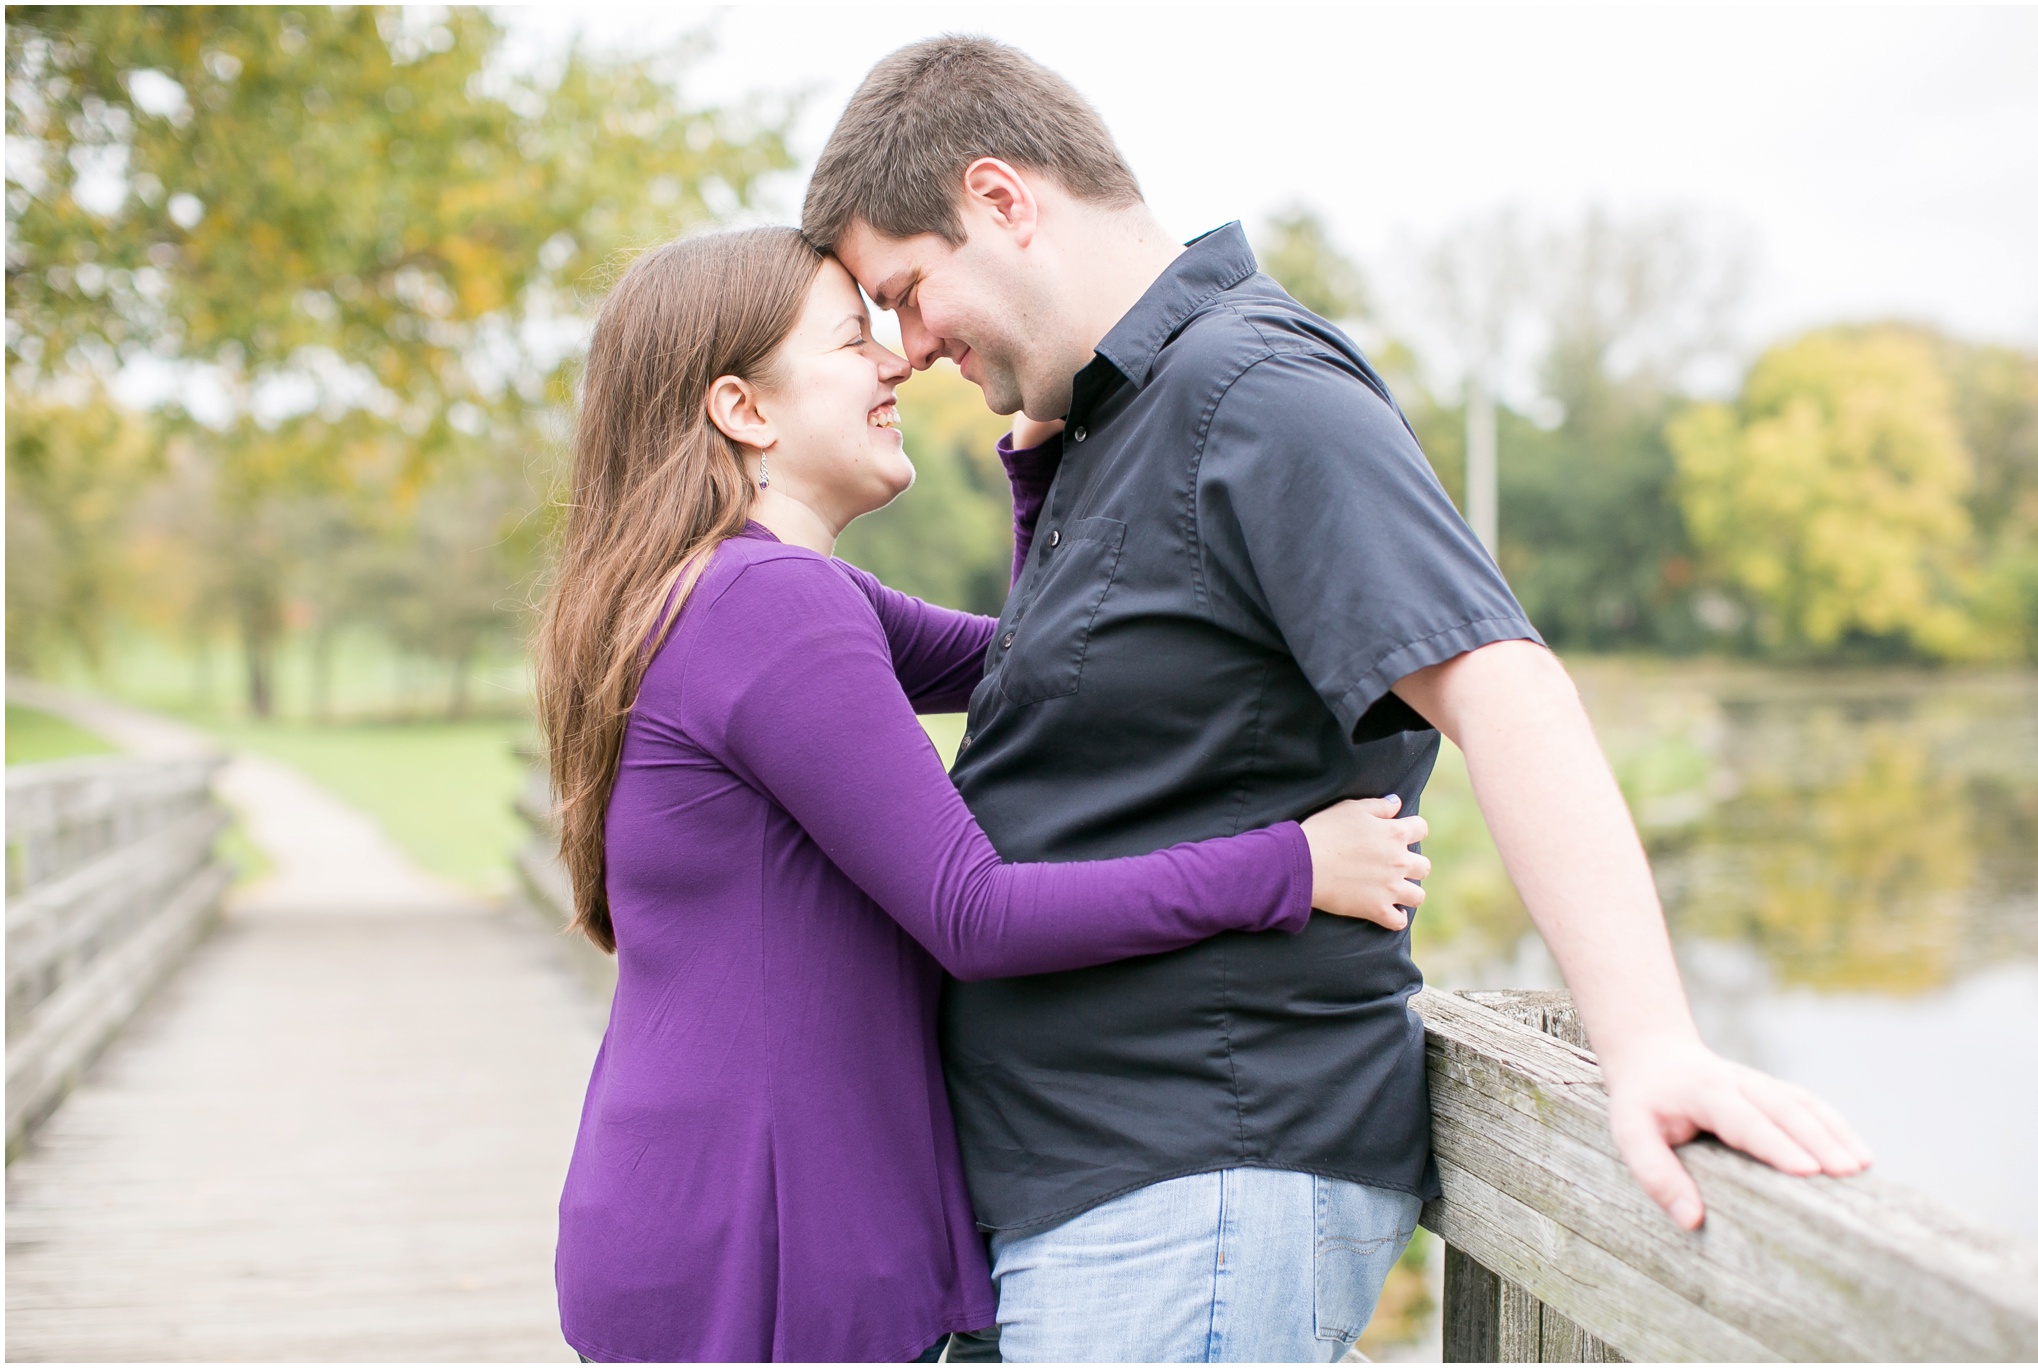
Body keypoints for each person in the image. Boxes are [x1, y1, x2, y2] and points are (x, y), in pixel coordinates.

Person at [804, 36, 1874, 1363]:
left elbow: (1501, 683)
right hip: (1097, 1184)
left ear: (1004, 200)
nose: (906, 349)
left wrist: (1650, 1039)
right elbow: (1102, 735)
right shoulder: (1120, 425)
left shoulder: (1253, 391)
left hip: (1192, 1181)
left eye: (908, 292)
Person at [536, 226, 1441, 1363]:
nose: (894, 362)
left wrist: (1040, 470)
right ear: (742, 409)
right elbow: (978, 916)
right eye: (848, 340)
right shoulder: (769, 605)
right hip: (765, 1230)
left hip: (699, 1202)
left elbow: (1039, 667)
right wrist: (1289, 867)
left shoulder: (732, 595)